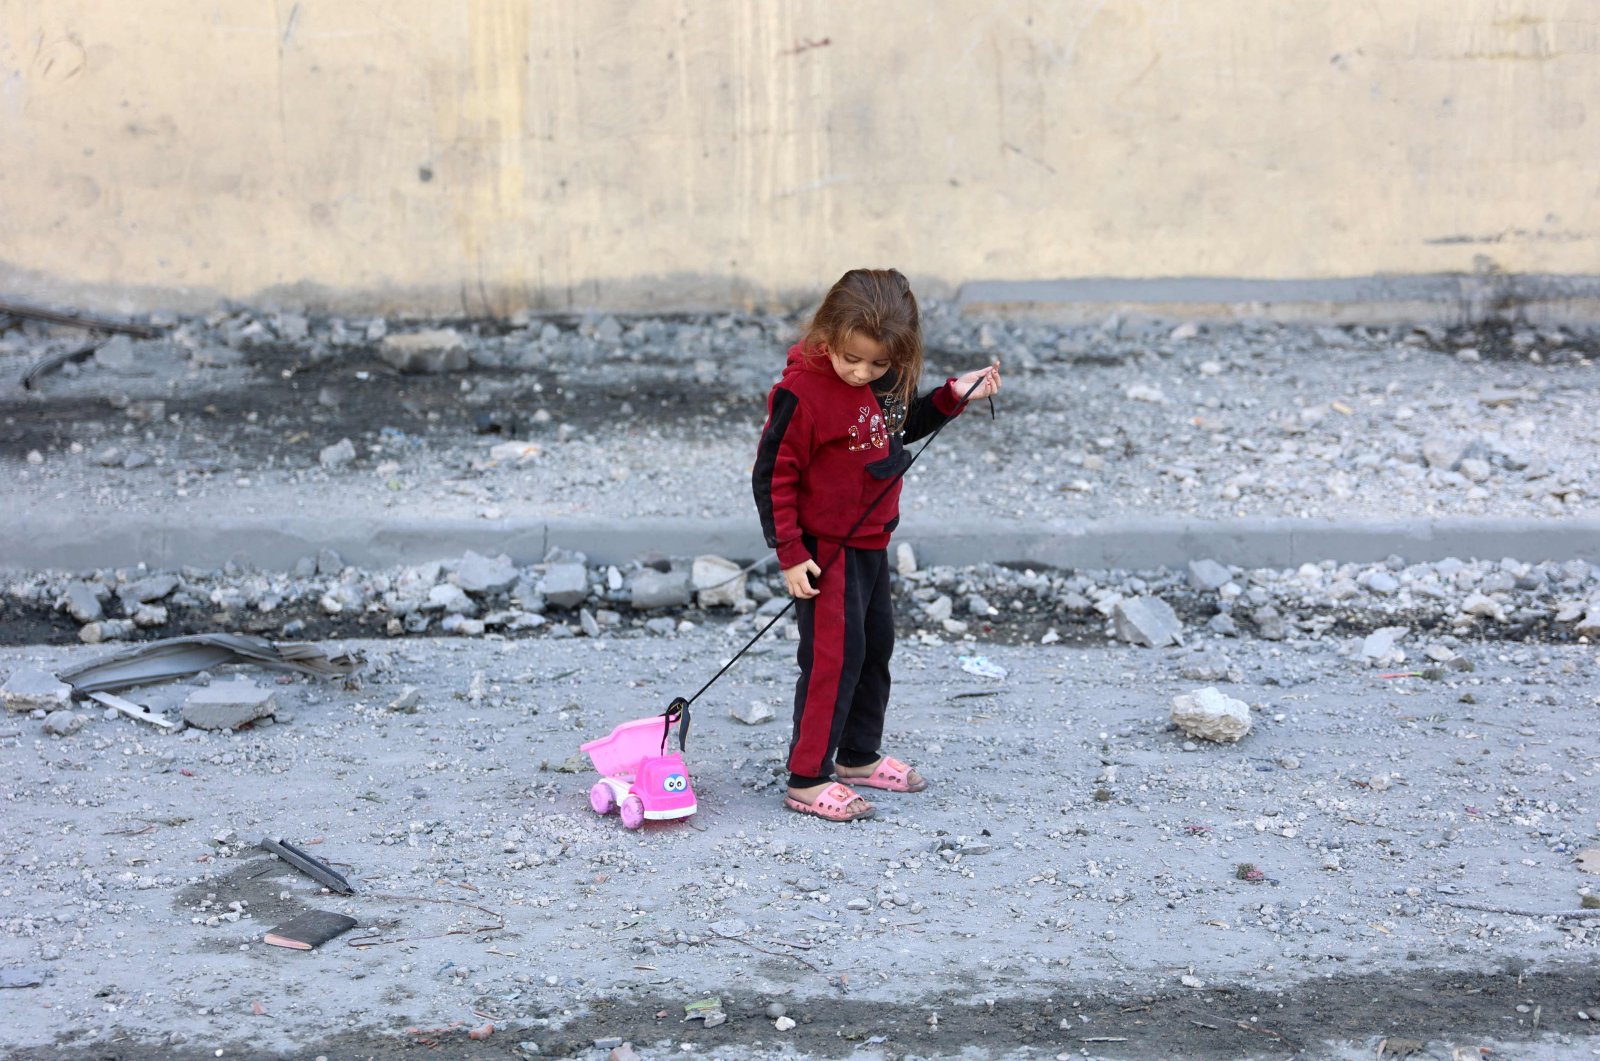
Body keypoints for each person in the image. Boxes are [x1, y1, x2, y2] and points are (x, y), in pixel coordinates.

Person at [751, 268, 1001, 821]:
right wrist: (790, 553)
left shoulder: (883, 378)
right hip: (824, 549)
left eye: (880, 364)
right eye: (851, 359)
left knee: (874, 649)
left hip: (870, 539)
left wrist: (953, 396)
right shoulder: (802, 392)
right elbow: (773, 476)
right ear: (828, 335)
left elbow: (896, 425)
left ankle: (858, 758)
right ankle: (807, 777)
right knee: (833, 660)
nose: (863, 373)